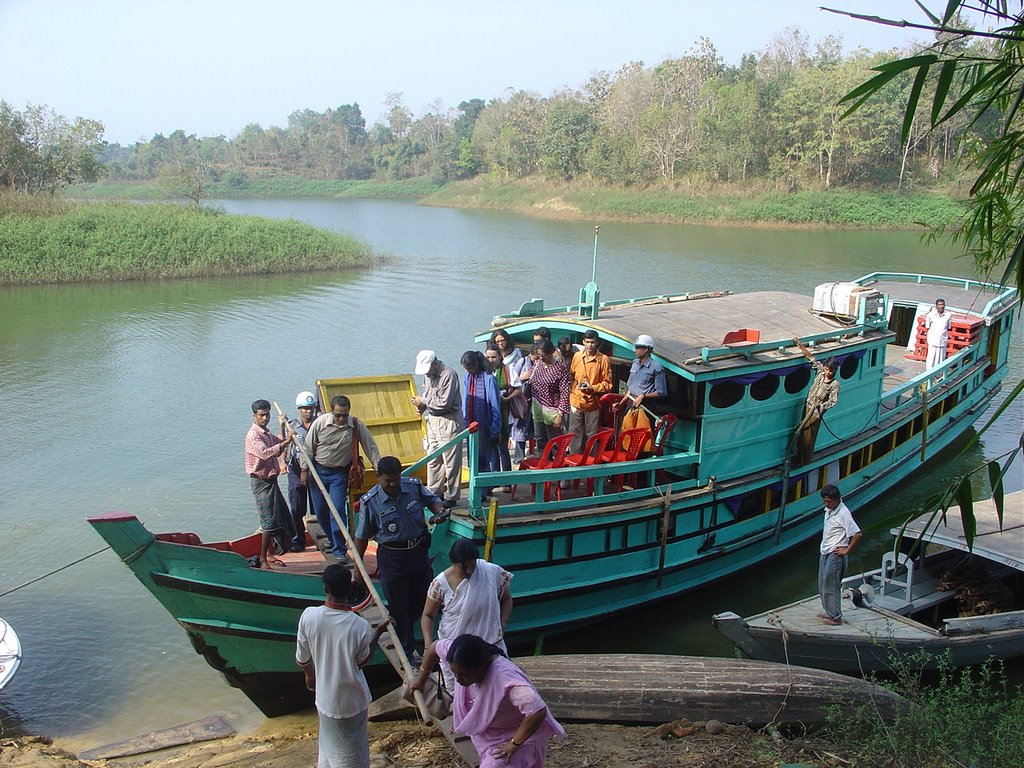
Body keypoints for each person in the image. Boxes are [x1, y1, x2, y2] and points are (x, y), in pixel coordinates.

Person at [409, 634, 565, 768]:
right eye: (455, 673)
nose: (459, 680)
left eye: (464, 675)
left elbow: (537, 711)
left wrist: (514, 743)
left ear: (482, 666)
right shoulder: (458, 655)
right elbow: (435, 647)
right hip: (492, 730)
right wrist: (421, 679)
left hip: (522, 733)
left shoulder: (506, 679)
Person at [296, 564, 392, 768]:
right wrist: (377, 634)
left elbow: (303, 659)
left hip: (324, 699)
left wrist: (310, 675)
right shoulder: (359, 625)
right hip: (352, 702)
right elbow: (362, 661)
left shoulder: (309, 616)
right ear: (350, 588)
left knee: (328, 747)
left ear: (325, 588)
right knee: (352, 755)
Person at [355, 456, 445, 660]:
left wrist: (438, 511)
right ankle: (407, 652)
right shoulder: (370, 502)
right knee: (399, 605)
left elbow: (432, 500)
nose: (393, 484)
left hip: (418, 552)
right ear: (378, 477)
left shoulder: (412, 486)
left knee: (427, 598)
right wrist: (357, 567)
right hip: (392, 558)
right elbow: (361, 537)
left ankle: (429, 645)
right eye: (388, 481)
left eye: (396, 479)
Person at [421, 540, 513, 690]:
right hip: (456, 651)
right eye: (463, 567)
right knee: (458, 695)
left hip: (490, 645)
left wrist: (503, 622)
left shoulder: (490, 572)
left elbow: (507, 599)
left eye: (472, 566)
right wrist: (427, 643)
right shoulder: (440, 583)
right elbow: (428, 616)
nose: (469, 571)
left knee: (498, 690)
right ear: (453, 563)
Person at [304, 395, 382, 565]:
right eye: (337, 415)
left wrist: (379, 468)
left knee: (338, 510)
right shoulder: (320, 423)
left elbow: (371, 446)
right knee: (321, 511)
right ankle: (332, 540)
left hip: (339, 474)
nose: (340, 419)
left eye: (344, 415)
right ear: (331, 412)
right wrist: (304, 470)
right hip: (318, 471)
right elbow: (308, 448)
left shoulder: (355, 424)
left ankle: (339, 549)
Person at [244, 399, 294, 569]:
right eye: (262, 415)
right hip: (261, 482)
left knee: (278, 516)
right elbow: (265, 453)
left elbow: (277, 441)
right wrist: (286, 443)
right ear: (254, 416)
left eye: (267, 414)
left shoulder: (265, 432)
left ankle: (270, 553)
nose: (265, 418)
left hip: (271, 480)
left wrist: (282, 427)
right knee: (268, 521)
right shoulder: (254, 435)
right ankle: (263, 559)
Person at [412, 351, 463, 510]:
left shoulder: (449, 375)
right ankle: (434, 491)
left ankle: (452, 496)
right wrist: (421, 406)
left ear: (435, 363)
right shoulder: (428, 375)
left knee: (451, 461)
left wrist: (424, 400)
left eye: (428, 369)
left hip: (449, 420)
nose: (426, 373)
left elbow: (444, 403)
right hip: (433, 420)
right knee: (433, 458)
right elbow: (429, 397)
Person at [461, 350, 502, 502]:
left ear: (476, 365)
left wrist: (495, 428)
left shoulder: (488, 378)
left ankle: (485, 490)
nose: (467, 371)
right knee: (473, 459)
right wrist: (465, 420)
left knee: (483, 459)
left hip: (484, 424)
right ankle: (477, 488)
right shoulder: (468, 377)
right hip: (471, 424)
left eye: (469, 368)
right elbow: (466, 399)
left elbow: (494, 405)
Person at [817, 484, 861, 626]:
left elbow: (857, 534)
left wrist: (847, 549)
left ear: (837, 499)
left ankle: (835, 617)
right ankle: (829, 611)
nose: (826, 504)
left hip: (835, 554)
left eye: (829, 501)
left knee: (831, 585)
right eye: (825, 501)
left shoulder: (843, 513)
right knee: (822, 583)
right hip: (825, 551)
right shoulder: (828, 510)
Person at [793, 339, 840, 466]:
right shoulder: (820, 372)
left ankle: (804, 461)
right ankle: (797, 457)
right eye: (826, 369)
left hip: (816, 412)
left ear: (835, 370)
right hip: (808, 406)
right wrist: (800, 344)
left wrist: (822, 406)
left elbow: (833, 401)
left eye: (831, 371)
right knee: (801, 432)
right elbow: (810, 358)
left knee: (809, 436)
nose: (828, 372)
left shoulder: (834, 384)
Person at [283, 390, 318, 552]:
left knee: (319, 507)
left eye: (311, 408)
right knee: (297, 507)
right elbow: (284, 443)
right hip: (296, 471)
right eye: (305, 408)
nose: (308, 411)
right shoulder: (292, 425)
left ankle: (322, 539)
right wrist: (282, 462)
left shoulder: (320, 424)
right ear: (299, 409)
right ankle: (298, 539)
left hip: (316, 469)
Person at [484, 343, 522, 491]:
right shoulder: (485, 372)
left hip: (506, 413)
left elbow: (519, 389)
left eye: (494, 357)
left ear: (500, 357)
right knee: (492, 447)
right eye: (488, 357)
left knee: (503, 447)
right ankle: (495, 477)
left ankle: (506, 481)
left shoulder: (507, 369)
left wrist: (506, 399)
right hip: (489, 414)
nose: (491, 360)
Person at [568, 329, 612, 455]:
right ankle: (574, 463)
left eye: (592, 342)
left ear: (596, 343)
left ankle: (590, 464)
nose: (590, 345)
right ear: (583, 342)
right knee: (574, 434)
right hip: (576, 401)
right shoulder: (577, 356)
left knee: (591, 435)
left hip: (592, 404)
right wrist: (573, 391)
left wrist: (592, 388)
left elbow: (608, 384)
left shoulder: (603, 360)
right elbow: (572, 376)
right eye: (587, 342)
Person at [493, 328, 533, 463]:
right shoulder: (491, 361)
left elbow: (522, 379)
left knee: (518, 427)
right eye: (497, 341)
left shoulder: (517, 356)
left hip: (513, 398)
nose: (500, 343)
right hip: (499, 400)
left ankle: (518, 457)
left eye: (502, 340)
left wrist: (518, 378)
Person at [528, 339, 571, 456]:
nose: (541, 358)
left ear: (550, 353)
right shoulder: (538, 365)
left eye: (543, 355)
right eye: (539, 355)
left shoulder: (560, 369)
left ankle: (558, 467)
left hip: (552, 409)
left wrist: (560, 414)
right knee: (540, 439)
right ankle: (542, 465)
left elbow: (565, 392)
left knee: (555, 442)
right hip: (537, 407)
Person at [612, 334, 667, 415]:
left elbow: (661, 392)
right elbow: (630, 390)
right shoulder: (635, 363)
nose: (635, 351)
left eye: (638, 348)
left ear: (646, 349)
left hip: (646, 406)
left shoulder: (657, 368)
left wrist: (643, 396)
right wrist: (621, 404)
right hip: (631, 404)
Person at [924, 298, 953, 369]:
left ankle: (938, 374)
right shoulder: (931, 315)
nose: (941, 306)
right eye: (939, 305)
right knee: (931, 358)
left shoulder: (948, 315)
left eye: (942, 304)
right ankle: (928, 373)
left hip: (943, 340)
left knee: (941, 358)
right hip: (933, 340)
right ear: (936, 306)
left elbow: (948, 327)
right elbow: (927, 326)